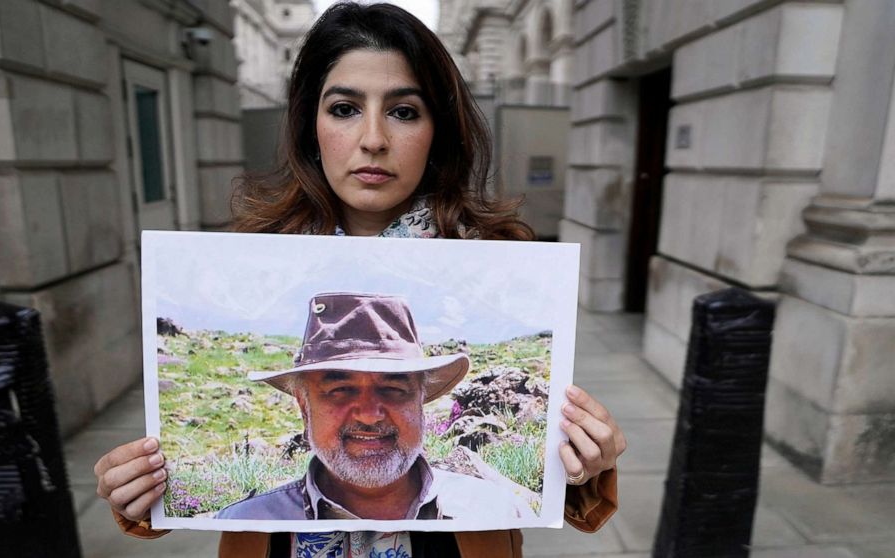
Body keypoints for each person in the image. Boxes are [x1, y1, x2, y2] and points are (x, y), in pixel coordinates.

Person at [94, 3, 627, 557]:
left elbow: (556, 487)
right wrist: (144, 491)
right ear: (311, 126)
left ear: (437, 129)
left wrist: (588, 461)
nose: (373, 138)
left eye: (403, 112)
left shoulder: (503, 263)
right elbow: (177, 498)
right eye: (346, 108)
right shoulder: (259, 253)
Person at [215, 291, 536, 521]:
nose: (369, 414)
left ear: (421, 402)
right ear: (304, 408)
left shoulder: (495, 510)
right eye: (341, 389)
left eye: (393, 388)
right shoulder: (249, 523)